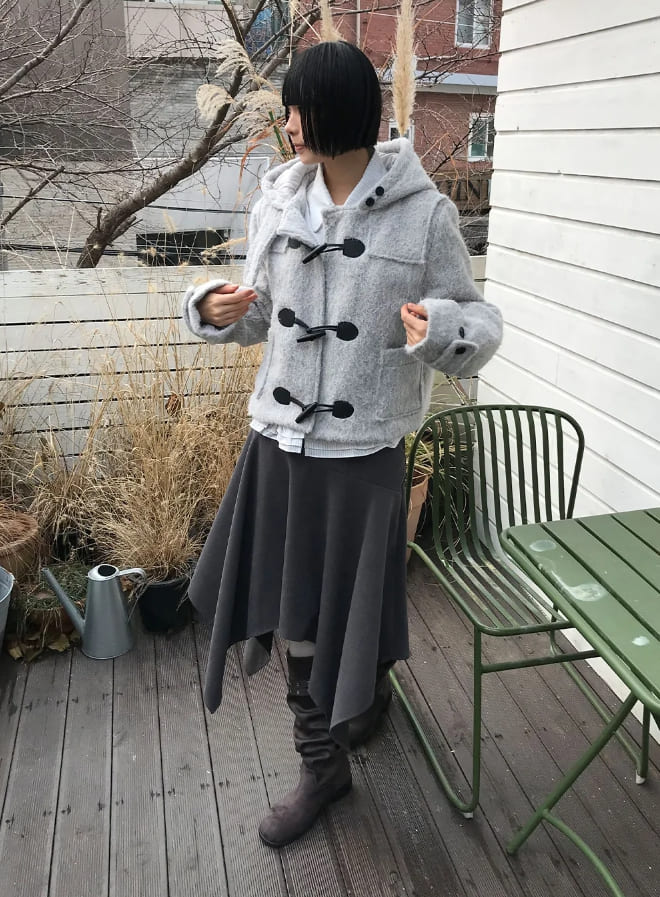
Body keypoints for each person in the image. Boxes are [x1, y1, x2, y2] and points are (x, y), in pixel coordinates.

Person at [182, 40, 503, 848]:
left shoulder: (423, 214)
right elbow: (261, 313)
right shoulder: (276, 204)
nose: (289, 123)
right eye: (288, 108)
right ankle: (322, 763)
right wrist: (212, 308)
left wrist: (442, 329)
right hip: (281, 443)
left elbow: (480, 320)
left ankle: (364, 695)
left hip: (364, 453)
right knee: (295, 614)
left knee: (356, 605)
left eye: (300, 108)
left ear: (339, 111)